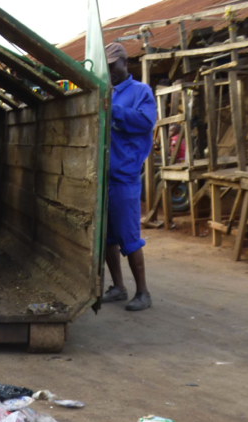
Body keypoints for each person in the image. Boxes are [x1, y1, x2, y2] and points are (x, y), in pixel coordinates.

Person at [102, 43, 156, 311]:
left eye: (113, 66)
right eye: (107, 67)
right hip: (104, 178)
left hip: (125, 177)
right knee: (108, 237)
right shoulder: (105, 91)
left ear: (125, 63)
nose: (110, 71)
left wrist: (114, 109)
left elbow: (146, 122)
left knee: (130, 237)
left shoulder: (140, 92)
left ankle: (143, 293)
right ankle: (118, 287)